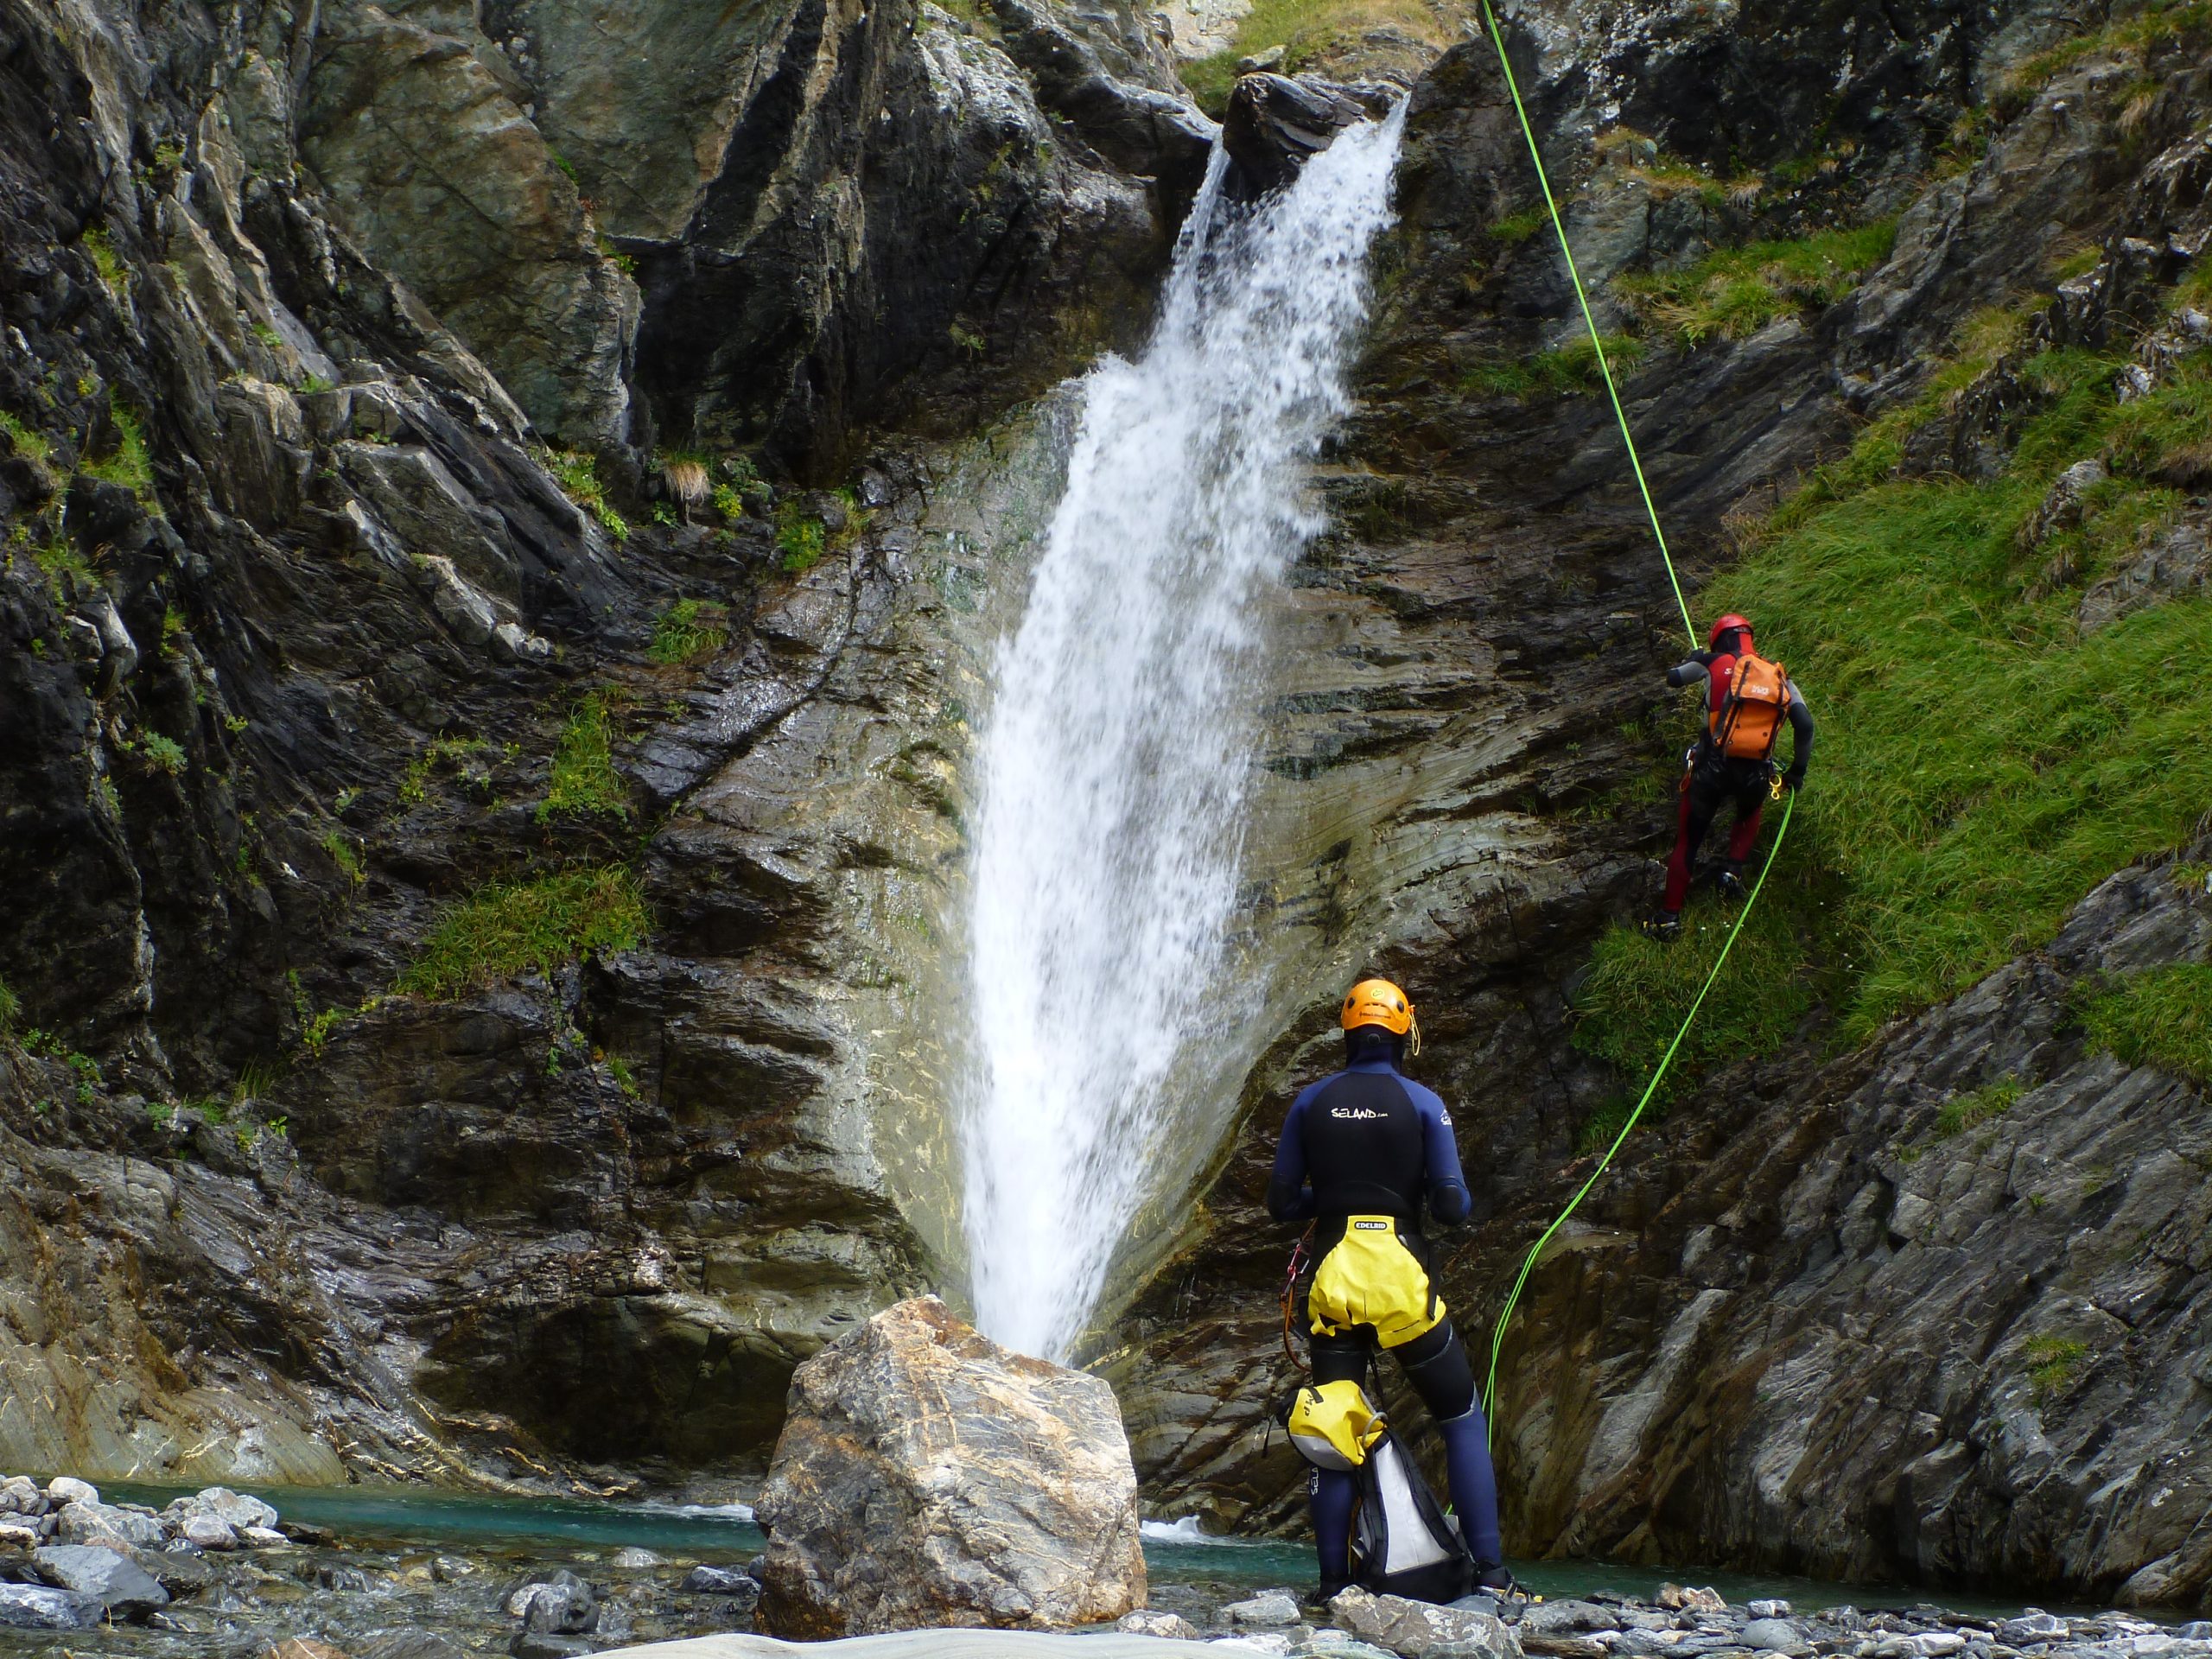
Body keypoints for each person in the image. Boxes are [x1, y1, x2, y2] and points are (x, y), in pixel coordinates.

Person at [1268, 978, 1510, 1600]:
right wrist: (1407, 1192)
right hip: (1401, 1281)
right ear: (1406, 1031)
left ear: (1347, 1032)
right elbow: (1453, 1206)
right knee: (1459, 1417)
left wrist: (1341, 1195)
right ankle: (1491, 1575)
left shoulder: (1309, 1102)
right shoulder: (1425, 1103)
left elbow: (1280, 1203)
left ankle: (1332, 1584)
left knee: (1333, 1426)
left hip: (1335, 1283)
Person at [1649, 613, 1814, 942]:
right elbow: (1805, 725)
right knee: (1749, 812)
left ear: (1718, 638)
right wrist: (1796, 772)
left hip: (1711, 771)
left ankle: (1668, 920)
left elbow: (1673, 678)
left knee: (1688, 841)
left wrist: (1696, 660)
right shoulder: (1777, 674)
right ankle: (1732, 872)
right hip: (1755, 773)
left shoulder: (1713, 661)